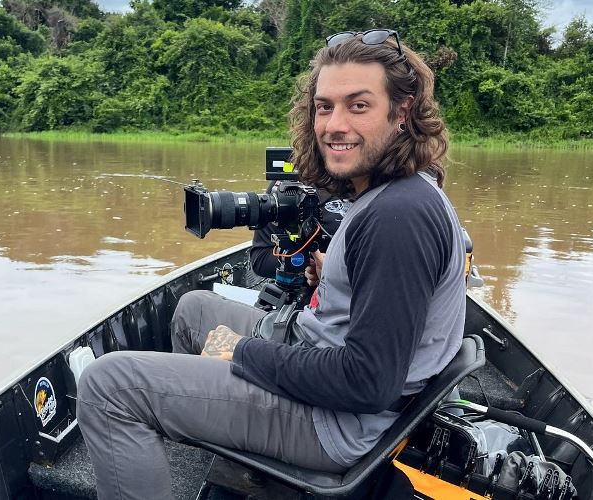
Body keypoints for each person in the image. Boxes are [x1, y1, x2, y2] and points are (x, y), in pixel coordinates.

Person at [76, 28, 467, 500]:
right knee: (193, 312)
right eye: (325, 107)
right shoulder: (395, 191)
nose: (334, 125)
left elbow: (367, 384)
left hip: (336, 424)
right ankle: (227, 459)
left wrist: (242, 352)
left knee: (107, 386)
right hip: (324, 364)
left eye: (358, 106)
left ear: (402, 112)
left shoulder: (398, 216)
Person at [248, 181, 349, 282]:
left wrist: (336, 269)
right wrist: (307, 262)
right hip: (310, 290)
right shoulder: (285, 185)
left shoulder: (362, 188)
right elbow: (260, 259)